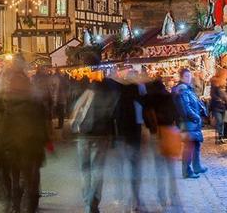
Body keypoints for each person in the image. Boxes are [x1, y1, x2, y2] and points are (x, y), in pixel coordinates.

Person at [0, 66, 50, 213]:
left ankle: (15, 206)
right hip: (31, 147)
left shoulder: (0, 98)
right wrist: (45, 144)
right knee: (29, 180)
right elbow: (42, 123)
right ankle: (29, 206)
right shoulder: (34, 99)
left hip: (10, 146)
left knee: (14, 178)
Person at [71, 71, 119, 213]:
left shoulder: (87, 90)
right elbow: (113, 116)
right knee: (97, 169)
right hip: (101, 135)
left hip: (84, 134)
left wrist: (74, 126)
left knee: (85, 170)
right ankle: (94, 202)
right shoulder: (110, 93)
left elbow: (76, 109)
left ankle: (87, 202)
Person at [144, 77, 182, 211]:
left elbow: (146, 119)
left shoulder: (148, 100)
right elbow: (177, 115)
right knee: (171, 169)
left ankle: (162, 198)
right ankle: (174, 197)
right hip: (169, 133)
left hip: (156, 135)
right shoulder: (168, 97)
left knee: (159, 169)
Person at [114, 68, 145, 211]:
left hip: (123, 135)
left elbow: (115, 117)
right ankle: (134, 199)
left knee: (123, 166)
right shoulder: (137, 98)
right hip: (134, 134)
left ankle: (122, 196)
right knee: (134, 166)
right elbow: (141, 117)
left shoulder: (120, 97)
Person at [172, 68, 207, 178]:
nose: (189, 78)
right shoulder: (182, 90)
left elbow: (193, 103)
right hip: (188, 122)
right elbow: (185, 108)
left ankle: (197, 166)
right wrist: (196, 117)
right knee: (189, 147)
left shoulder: (188, 89)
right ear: (182, 77)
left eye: (190, 76)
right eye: (186, 76)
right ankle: (187, 171)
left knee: (196, 144)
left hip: (192, 123)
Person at [209, 69, 227, 144]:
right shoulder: (215, 83)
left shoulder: (223, 83)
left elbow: (224, 95)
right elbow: (212, 94)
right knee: (219, 121)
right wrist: (220, 99)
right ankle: (218, 137)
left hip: (222, 106)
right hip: (216, 106)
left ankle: (221, 137)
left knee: (222, 122)